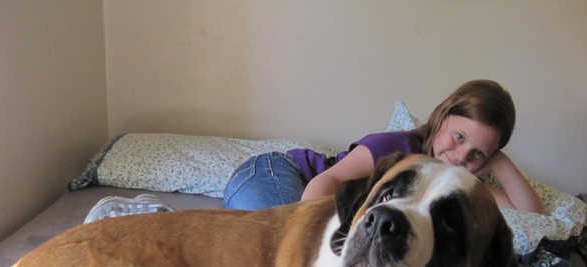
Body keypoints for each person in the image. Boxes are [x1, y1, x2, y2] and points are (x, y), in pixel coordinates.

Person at [222, 79, 545, 214]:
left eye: (478, 153)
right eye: (459, 137)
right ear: (443, 116)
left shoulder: (460, 182)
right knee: (283, 257)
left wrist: (500, 161)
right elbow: (329, 181)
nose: (461, 157)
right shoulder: (397, 146)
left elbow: (530, 215)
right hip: (279, 174)